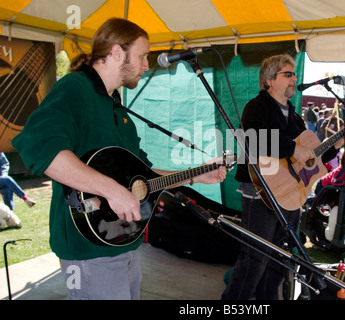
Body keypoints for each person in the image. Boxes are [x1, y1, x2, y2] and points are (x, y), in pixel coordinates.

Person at [12, 18, 226, 300]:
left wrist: (196, 174)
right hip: (88, 249)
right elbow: (39, 148)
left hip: (122, 242)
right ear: (116, 53)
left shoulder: (118, 111)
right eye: (143, 55)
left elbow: (145, 174)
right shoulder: (74, 89)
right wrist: (112, 190)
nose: (147, 64)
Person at [221, 54, 345, 300]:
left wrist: (338, 143)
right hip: (260, 191)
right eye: (287, 74)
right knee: (255, 261)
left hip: (291, 196)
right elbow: (255, 138)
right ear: (270, 80)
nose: (294, 78)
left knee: (279, 262)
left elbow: (311, 159)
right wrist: (293, 149)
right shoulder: (257, 107)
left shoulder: (293, 116)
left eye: (294, 74)